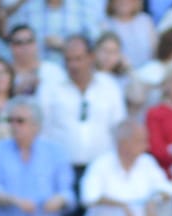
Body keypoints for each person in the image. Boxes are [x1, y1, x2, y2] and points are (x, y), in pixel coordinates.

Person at [79, 118, 172, 216]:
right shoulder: (101, 164)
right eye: (140, 140)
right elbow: (89, 197)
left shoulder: (147, 163)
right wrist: (123, 207)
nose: (146, 145)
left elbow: (167, 191)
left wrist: (152, 200)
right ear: (123, 143)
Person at [40, 34, 128, 175]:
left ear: (91, 57)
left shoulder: (109, 85)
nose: (73, 65)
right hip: (60, 168)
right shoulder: (50, 87)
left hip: (101, 169)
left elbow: (119, 126)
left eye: (78, 59)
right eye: (69, 60)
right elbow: (42, 129)